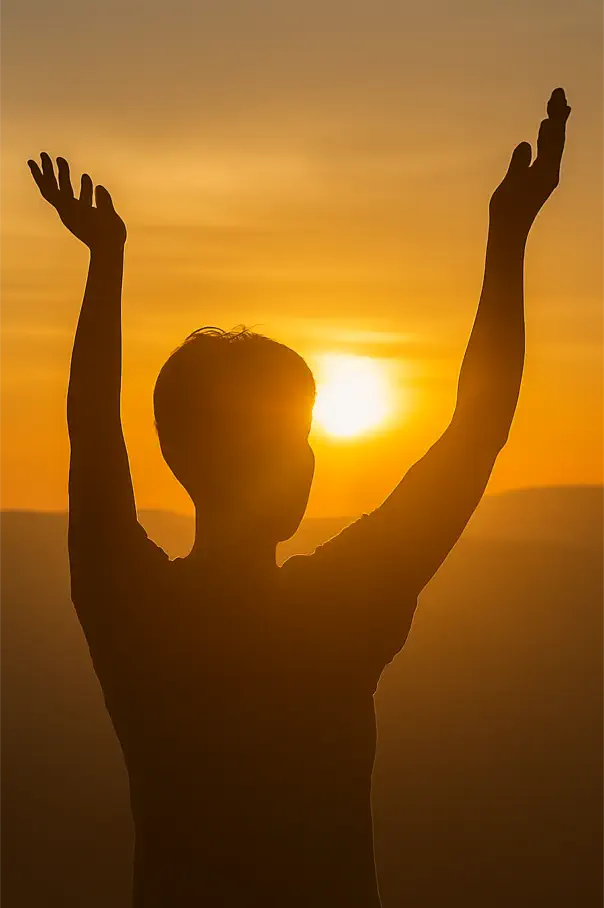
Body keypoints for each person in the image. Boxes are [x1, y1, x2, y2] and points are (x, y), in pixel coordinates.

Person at [28, 88, 570, 907]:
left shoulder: (128, 609)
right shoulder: (337, 611)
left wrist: (106, 266)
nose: (308, 461)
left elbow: (92, 436)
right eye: (289, 442)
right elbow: (477, 429)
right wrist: (508, 235)